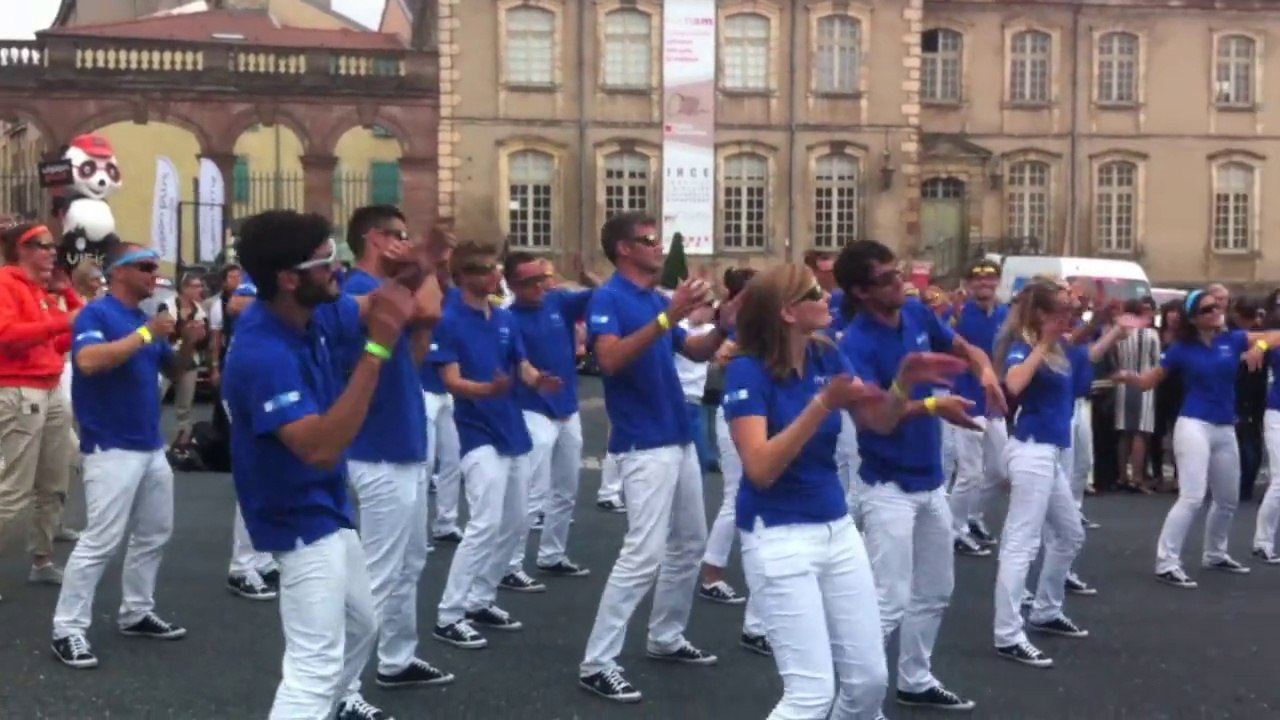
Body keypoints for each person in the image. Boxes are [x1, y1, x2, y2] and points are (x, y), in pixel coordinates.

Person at [725, 263, 967, 718]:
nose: (826, 298)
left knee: (869, 682)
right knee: (811, 693)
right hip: (777, 534)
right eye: (814, 293)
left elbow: (879, 419)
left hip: (836, 528)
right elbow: (760, 468)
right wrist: (821, 405)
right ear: (787, 312)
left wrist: (905, 381)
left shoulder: (827, 355)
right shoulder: (747, 372)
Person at [223, 210, 429, 720]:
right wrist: (376, 351)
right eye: (326, 261)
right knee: (313, 666)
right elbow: (319, 447)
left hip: (326, 506)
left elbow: (379, 303)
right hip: (295, 518)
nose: (339, 268)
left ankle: (334, 705)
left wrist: (421, 266)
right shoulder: (264, 353)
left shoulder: (314, 313)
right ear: (289, 279)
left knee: (361, 624)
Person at [837, 240, 1005, 711]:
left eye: (898, 271)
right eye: (887, 278)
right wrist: (929, 402)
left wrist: (985, 371)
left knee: (935, 589)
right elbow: (875, 418)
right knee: (887, 600)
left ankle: (915, 678)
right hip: (887, 484)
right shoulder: (856, 343)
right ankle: (853, 699)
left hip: (930, 480)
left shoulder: (914, 313)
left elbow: (962, 346)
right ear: (861, 291)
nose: (901, 282)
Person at [577, 212, 737, 703]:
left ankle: (666, 635)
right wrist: (670, 315)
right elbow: (608, 360)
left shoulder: (651, 299)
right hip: (644, 441)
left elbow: (694, 350)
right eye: (648, 240)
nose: (658, 247)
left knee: (689, 541)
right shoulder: (610, 297)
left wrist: (722, 326)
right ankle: (597, 662)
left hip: (676, 435)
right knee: (643, 553)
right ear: (624, 249)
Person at [51, 242, 203, 668]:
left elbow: (173, 370)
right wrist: (148, 334)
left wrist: (188, 345)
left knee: (155, 532)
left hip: (149, 444)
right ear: (118, 271)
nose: (154, 274)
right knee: (100, 540)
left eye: (155, 267)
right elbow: (88, 361)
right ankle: (67, 629)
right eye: (145, 266)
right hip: (111, 445)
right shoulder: (98, 314)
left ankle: (136, 611)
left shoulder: (141, 318)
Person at [337, 205, 453, 692]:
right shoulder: (361, 288)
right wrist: (426, 264)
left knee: (410, 562)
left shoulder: (390, 287)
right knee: (378, 574)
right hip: (377, 447)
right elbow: (429, 308)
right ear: (373, 238)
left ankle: (396, 657)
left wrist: (426, 267)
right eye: (398, 235)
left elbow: (420, 339)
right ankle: (342, 690)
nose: (405, 243)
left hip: (402, 441)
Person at [991, 278, 1134, 667]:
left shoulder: (1059, 348)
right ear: (1040, 314)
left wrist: (1107, 323)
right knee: (1021, 542)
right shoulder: (1025, 345)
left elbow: (1089, 351)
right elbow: (1013, 384)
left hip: (1049, 451)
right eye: (1061, 310)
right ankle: (1007, 633)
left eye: (1070, 310)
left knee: (1069, 533)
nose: (1069, 315)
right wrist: (1043, 342)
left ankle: (1046, 609)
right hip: (1030, 449)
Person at [430, 239, 562, 648]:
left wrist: (538, 380)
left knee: (517, 519)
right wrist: (487, 390)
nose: (496, 275)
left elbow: (521, 365)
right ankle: (449, 614)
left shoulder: (503, 318)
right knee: (484, 522)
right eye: (486, 269)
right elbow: (451, 380)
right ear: (463, 276)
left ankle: (481, 599)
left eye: (496, 267)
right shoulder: (448, 319)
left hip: (511, 427)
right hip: (476, 431)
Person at [1115, 289, 1280, 588]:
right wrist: (1130, 378)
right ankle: (1167, 561)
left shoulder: (1232, 340)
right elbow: (1150, 381)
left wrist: (1260, 345)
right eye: (1207, 310)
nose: (1216, 312)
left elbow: (1275, 335)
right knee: (1192, 496)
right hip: (1194, 424)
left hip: (1224, 426)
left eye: (1216, 306)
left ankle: (1215, 553)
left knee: (1227, 498)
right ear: (1193, 319)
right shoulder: (1181, 350)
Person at [0, 223, 82, 595]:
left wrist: (70, 299)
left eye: (53, 246)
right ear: (22, 249)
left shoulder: (39, 290)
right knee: (15, 489)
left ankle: (42, 559)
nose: (52, 252)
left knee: (54, 480)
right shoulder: (6, 283)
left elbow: (61, 340)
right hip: (20, 390)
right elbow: (6, 336)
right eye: (44, 246)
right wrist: (62, 319)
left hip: (48, 387)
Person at [505, 250, 593, 578]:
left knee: (566, 489)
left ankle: (552, 554)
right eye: (530, 281)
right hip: (532, 408)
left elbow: (601, 297)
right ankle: (510, 564)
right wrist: (535, 379)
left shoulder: (558, 302)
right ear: (513, 285)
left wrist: (589, 276)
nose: (539, 286)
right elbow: (517, 364)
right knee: (531, 491)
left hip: (567, 407)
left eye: (542, 278)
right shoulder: (509, 318)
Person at [700, 267, 757, 610]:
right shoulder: (737, 326)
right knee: (736, 497)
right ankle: (711, 573)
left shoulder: (757, 325)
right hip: (736, 413)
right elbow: (721, 357)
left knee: (748, 497)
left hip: (754, 413)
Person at [947, 258, 1009, 555]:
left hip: (994, 402)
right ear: (969, 284)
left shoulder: (1005, 314)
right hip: (968, 399)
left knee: (1000, 470)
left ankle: (972, 516)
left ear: (997, 282)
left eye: (989, 279)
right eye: (977, 279)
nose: (984, 283)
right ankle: (953, 529)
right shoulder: (960, 315)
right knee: (969, 473)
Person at [1111, 297, 1161, 494]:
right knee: (1141, 431)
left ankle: (1122, 476)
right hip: (1144, 383)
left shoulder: (1120, 334)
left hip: (1123, 383)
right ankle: (1137, 478)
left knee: (1124, 432)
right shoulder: (1150, 334)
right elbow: (1156, 361)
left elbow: (1114, 359)